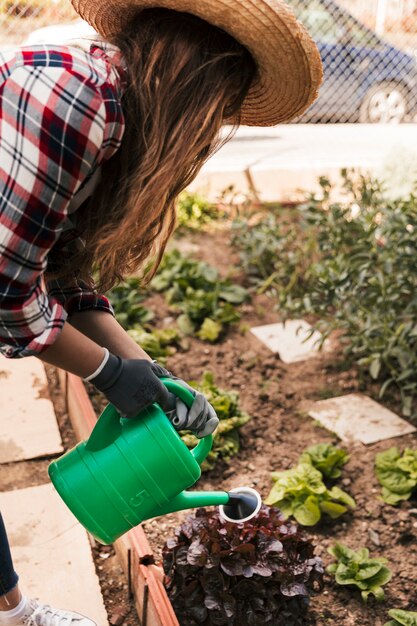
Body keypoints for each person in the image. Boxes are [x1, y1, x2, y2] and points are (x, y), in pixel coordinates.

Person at [0, 0, 322, 624]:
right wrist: (106, 375)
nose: (214, 128)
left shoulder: (115, 117)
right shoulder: (73, 96)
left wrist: (147, 372)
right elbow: (8, 293)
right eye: (222, 105)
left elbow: (66, 280)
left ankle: (12, 613)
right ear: (198, 78)